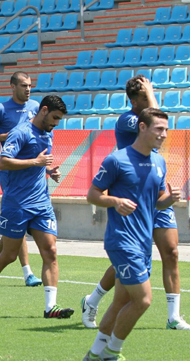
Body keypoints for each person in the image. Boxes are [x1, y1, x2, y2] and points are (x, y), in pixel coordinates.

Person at [80, 75, 189, 330]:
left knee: (172, 253)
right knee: (127, 261)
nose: (148, 100)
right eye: (144, 96)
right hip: (133, 200)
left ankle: (173, 317)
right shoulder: (128, 120)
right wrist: (150, 92)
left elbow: (158, 119)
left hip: (155, 194)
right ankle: (93, 300)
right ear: (134, 101)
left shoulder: (155, 141)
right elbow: (154, 115)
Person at [83, 108, 179, 361]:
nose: (164, 134)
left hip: (143, 241)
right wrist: (115, 201)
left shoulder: (159, 162)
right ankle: (113, 353)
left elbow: (157, 202)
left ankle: (94, 355)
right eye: (159, 129)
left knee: (121, 301)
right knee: (144, 300)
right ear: (142, 128)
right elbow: (92, 194)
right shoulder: (117, 160)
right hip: (122, 240)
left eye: (166, 130)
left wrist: (170, 200)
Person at [0, 95, 74, 319]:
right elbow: (4, 162)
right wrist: (35, 162)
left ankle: (50, 307)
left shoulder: (48, 133)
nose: (56, 123)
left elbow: (40, 161)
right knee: (9, 255)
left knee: (51, 251)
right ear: (44, 110)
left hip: (41, 202)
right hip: (17, 203)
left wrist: (49, 171)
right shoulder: (20, 132)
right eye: (55, 118)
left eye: (59, 119)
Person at [0, 72, 42, 287]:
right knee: (20, 219)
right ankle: (28, 273)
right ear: (12, 87)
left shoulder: (35, 106)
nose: (28, 89)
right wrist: (3, 137)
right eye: (24, 85)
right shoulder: (0, 110)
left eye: (30, 85)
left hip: (32, 173)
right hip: (11, 173)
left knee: (19, 222)